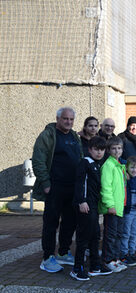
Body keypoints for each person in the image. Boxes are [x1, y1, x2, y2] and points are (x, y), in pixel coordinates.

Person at [32, 107, 82, 273]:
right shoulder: (47, 135)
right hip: (54, 187)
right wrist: (45, 183)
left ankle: (63, 252)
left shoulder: (75, 136)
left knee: (70, 222)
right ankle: (47, 258)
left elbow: (80, 158)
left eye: (71, 119)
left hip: (72, 187)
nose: (68, 122)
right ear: (58, 118)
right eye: (65, 119)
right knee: (51, 223)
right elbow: (38, 160)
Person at [71, 136, 112, 281]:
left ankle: (95, 265)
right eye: (96, 149)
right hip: (85, 206)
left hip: (94, 206)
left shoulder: (98, 164)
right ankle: (77, 268)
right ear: (90, 149)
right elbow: (79, 183)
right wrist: (81, 201)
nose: (99, 152)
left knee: (95, 236)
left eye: (102, 150)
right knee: (83, 237)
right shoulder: (85, 162)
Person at [99, 136, 127, 273]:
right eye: (114, 148)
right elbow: (106, 187)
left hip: (120, 207)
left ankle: (115, 259)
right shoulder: (108, 166)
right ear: (109, 150)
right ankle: (108, 260)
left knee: (118, 235)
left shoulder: (119, 165)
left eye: (119, 148)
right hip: (112, 208)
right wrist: (110, 205)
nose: (117, 150)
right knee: (110, 235)